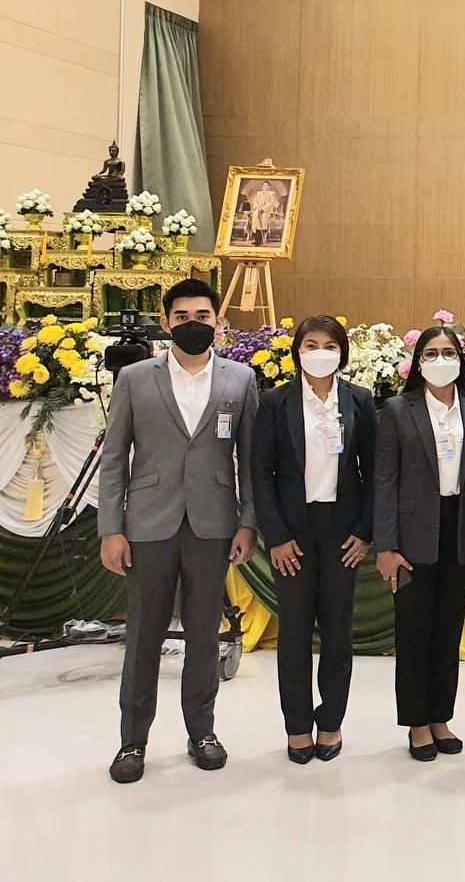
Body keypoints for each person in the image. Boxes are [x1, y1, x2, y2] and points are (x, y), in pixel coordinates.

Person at [97, 279, 260, 784]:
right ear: (167, 323)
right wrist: (111, 528)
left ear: (218, 322)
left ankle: (202, 732)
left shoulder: (241, 379)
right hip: (148, 523)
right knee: (143, 636)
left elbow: (251, 460)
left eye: (203, 315)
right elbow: (114, 458)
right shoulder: (135, 378)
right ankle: (132, 741)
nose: (194, 323)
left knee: (204, 635)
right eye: (183, 316)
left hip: (214, 523)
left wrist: (248, 522)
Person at [252, 315, 377, 763]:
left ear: (342, 352)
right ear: (297, 352)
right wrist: (277, 536)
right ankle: (297, 726)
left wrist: (364, 531)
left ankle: (331, 722)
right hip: (293, 534)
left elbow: (375, 471)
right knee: (295, 632)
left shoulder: (360, 400)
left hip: (343, 533)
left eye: (329, 345)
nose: (319, 352)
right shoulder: (275, 402)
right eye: (310, 345)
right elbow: (260, 473)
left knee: (338, 633)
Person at [374, 325, 465, 760]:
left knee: (448, 630)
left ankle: (441, 716)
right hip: (411, 534)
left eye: (449, 352)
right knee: (414, 631)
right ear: (418, 362)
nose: (441, 360)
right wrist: (386, 545)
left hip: (461, 530)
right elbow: (385, 480)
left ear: (461, 359)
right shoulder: (397, 409)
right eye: (431, 353)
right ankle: (417, 722)